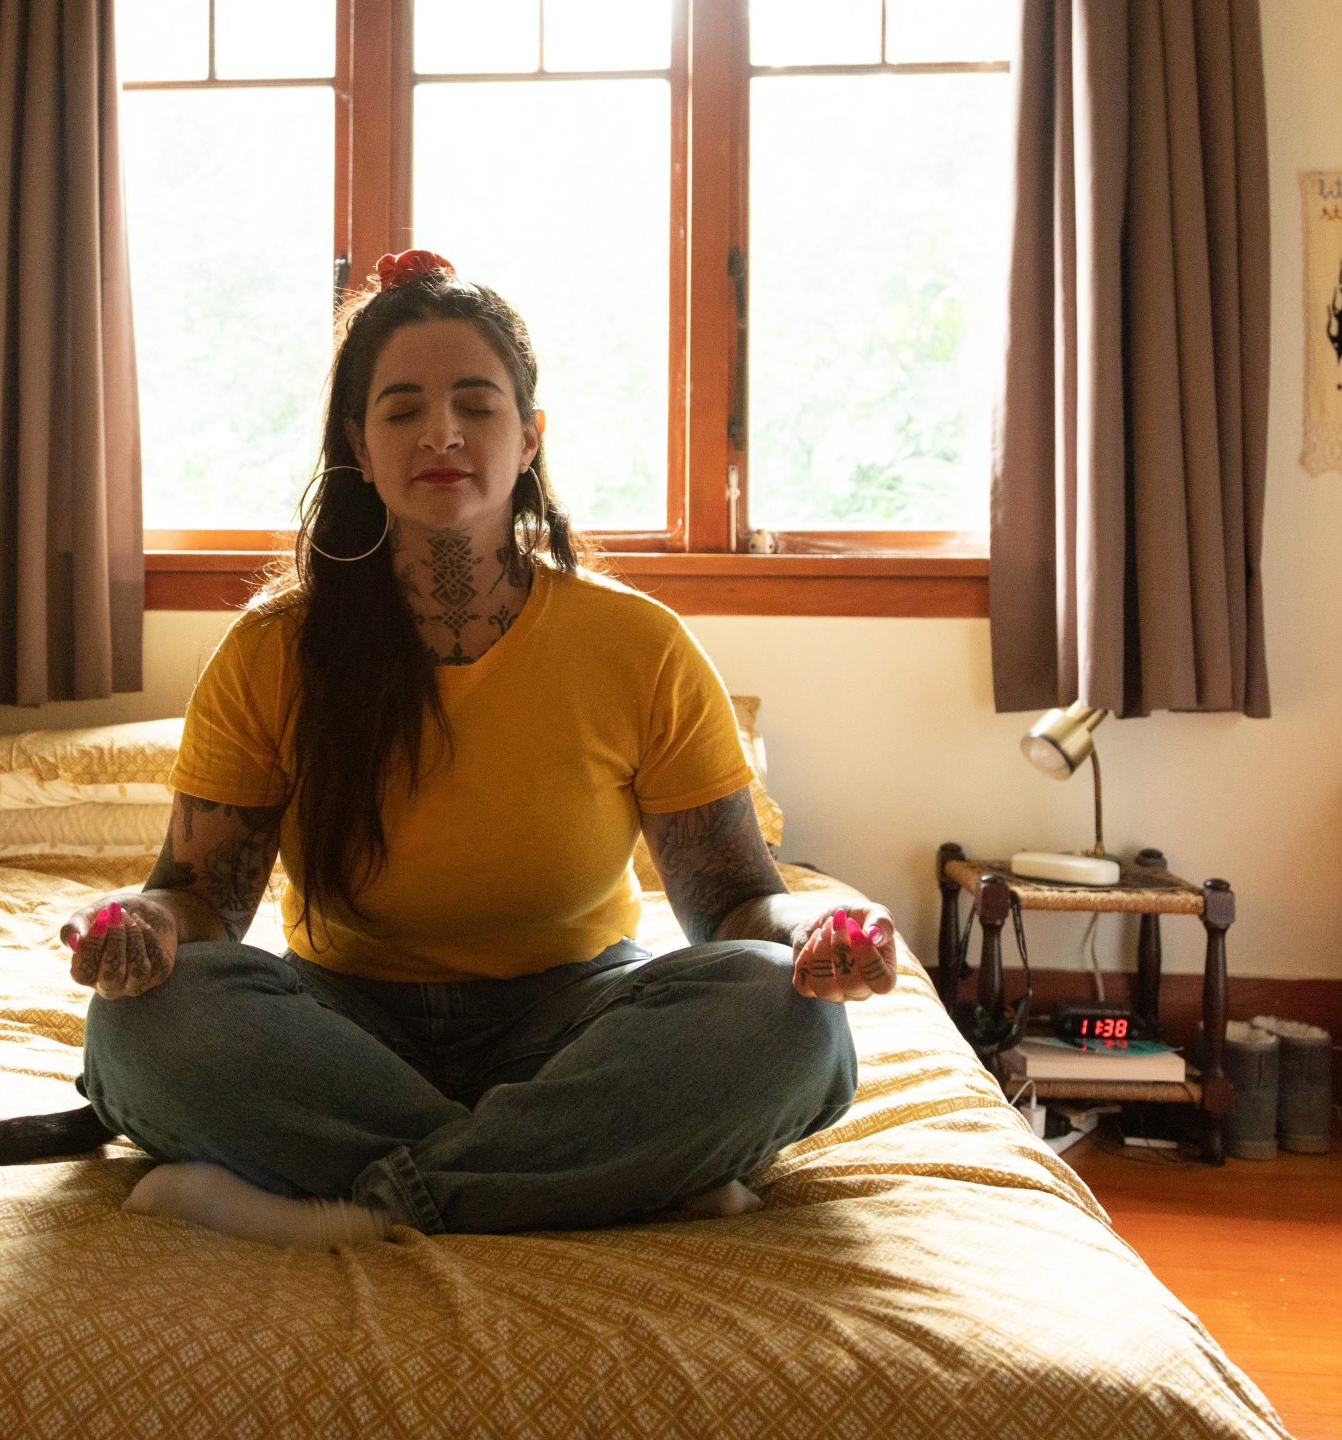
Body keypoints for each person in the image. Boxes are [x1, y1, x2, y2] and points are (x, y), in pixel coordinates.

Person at [59, 250, 899, 1250]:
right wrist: (140, 926)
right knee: (146, 1024)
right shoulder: (271, 649)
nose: (442, 433)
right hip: (340, 1028)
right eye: (402, 408)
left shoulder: (637, 645)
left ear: (529, 437)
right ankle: (598, 1178)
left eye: (476, 403)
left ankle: (356, 1201)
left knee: (781, 1016)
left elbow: (730, 907)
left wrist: (820, 925)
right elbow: (199, 902)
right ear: (359, 449)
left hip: (574, 1022)